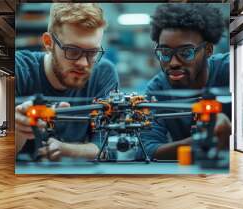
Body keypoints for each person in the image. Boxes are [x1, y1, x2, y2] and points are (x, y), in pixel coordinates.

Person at [15, 3, 119, 161]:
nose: (84, 63)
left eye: (92, 53)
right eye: (72, 51)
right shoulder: (19, 69)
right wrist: (19, 130)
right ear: (48, 43)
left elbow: (108, 148)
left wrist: (66, 149)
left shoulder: (103, 73)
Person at [141, 4, 231, 160]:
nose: (173, 62)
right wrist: (202, 138)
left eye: (186, 52)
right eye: (165, 53)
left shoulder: (231, 70)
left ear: (208, 50)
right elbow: (147, 149)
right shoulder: (157, 89)